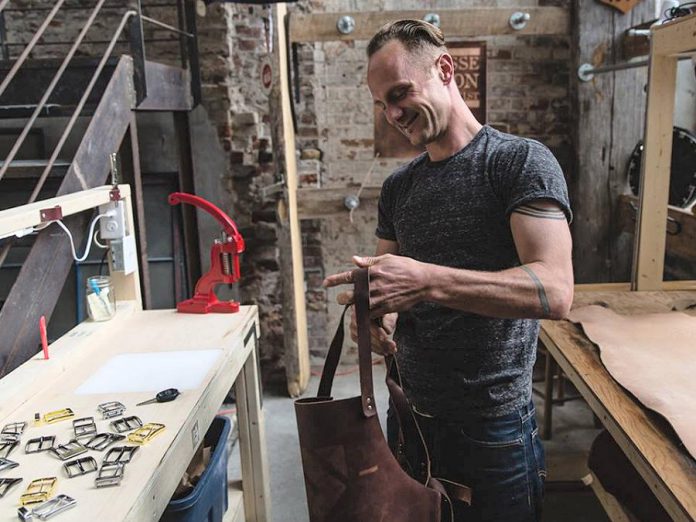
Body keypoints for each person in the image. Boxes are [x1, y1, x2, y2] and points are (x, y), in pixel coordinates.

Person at [322, 19, 574, 522]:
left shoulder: (517, 163)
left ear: (443, 68)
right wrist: (375, 315)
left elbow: (555, 290)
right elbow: (392, 287)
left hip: (493, 434)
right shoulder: (399, 188)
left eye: (399, 93)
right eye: (382, 103)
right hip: (408, 419)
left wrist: (428, 281)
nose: (393, 114)